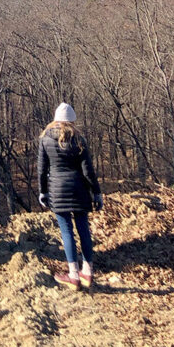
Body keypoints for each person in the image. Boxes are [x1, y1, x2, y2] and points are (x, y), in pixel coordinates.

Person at [38, 102, 103, 291]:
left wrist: (43, 191)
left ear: (55, 119)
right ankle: (87, 272)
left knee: (67, 232)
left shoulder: (45, 138)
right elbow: (88, 170)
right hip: (79, 189)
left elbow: (42, 169)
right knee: (83, 230)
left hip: (57, 191)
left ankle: (73, 275)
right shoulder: (79, 139)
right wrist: (96, 192)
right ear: (72, 121)